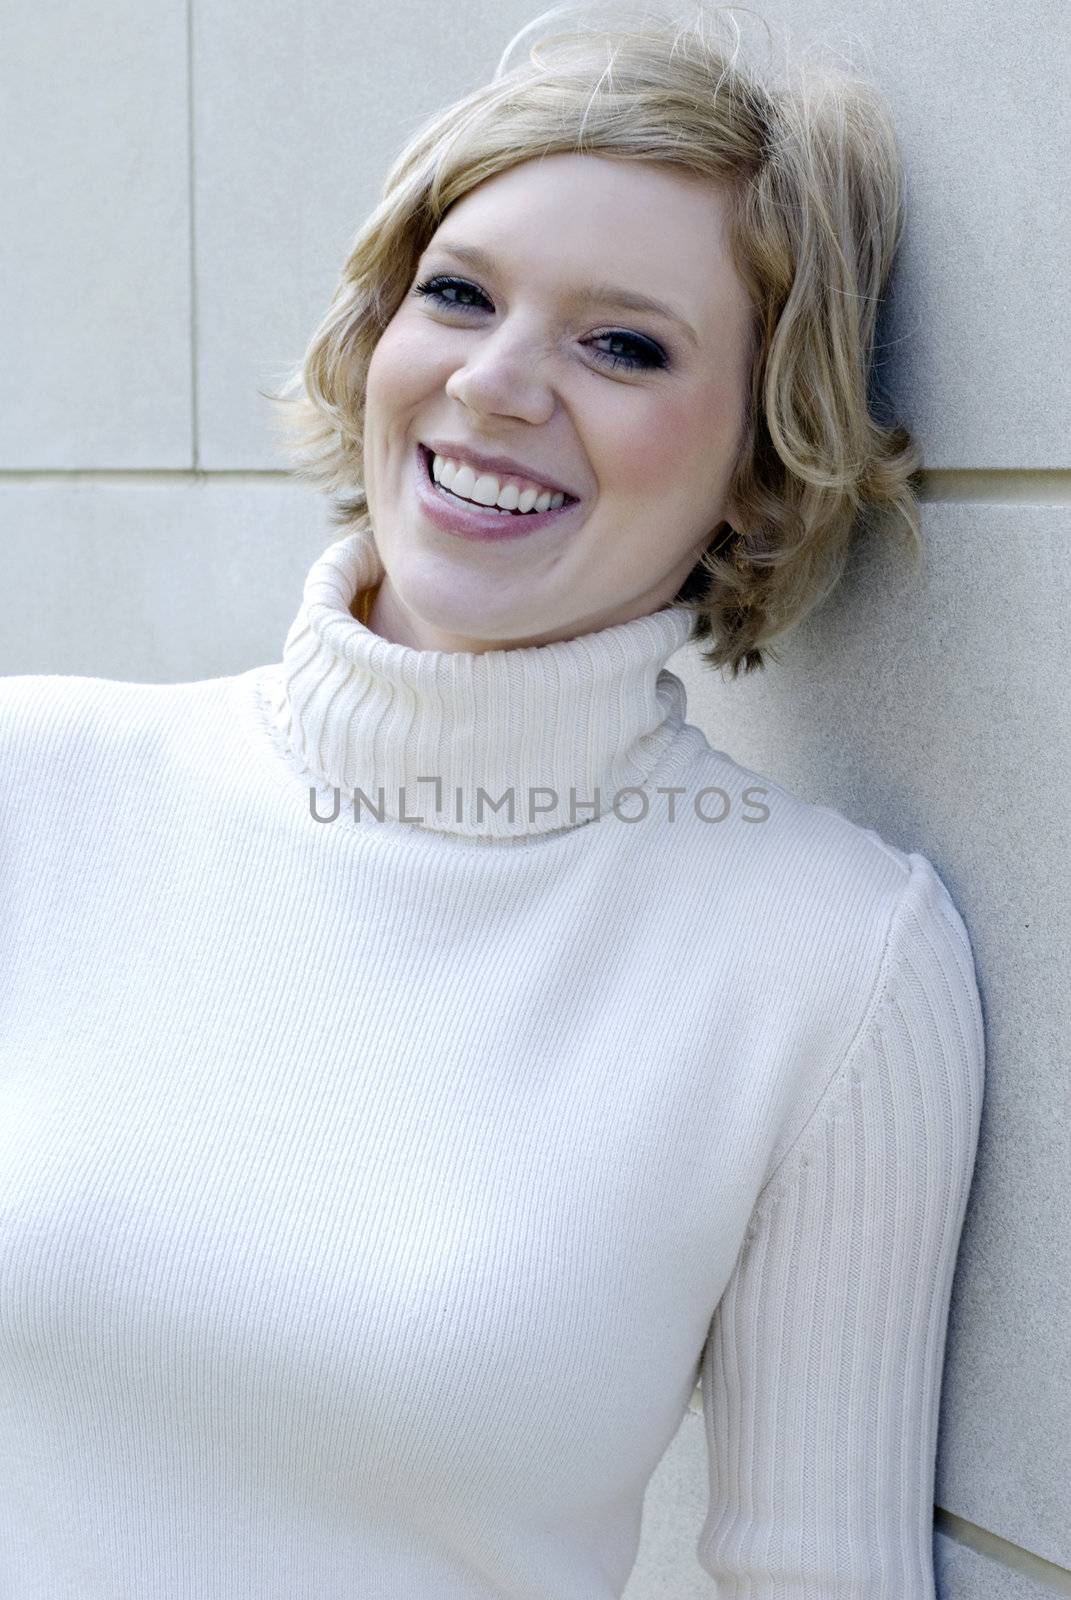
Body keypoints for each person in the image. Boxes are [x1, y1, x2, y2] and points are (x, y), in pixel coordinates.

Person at [0, 2, 985, 1596]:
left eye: (625, 345)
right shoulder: (34, 789)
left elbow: (825, 1575)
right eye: (457, 296)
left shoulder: (832, 961)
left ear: (758, 458)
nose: (499, 383)